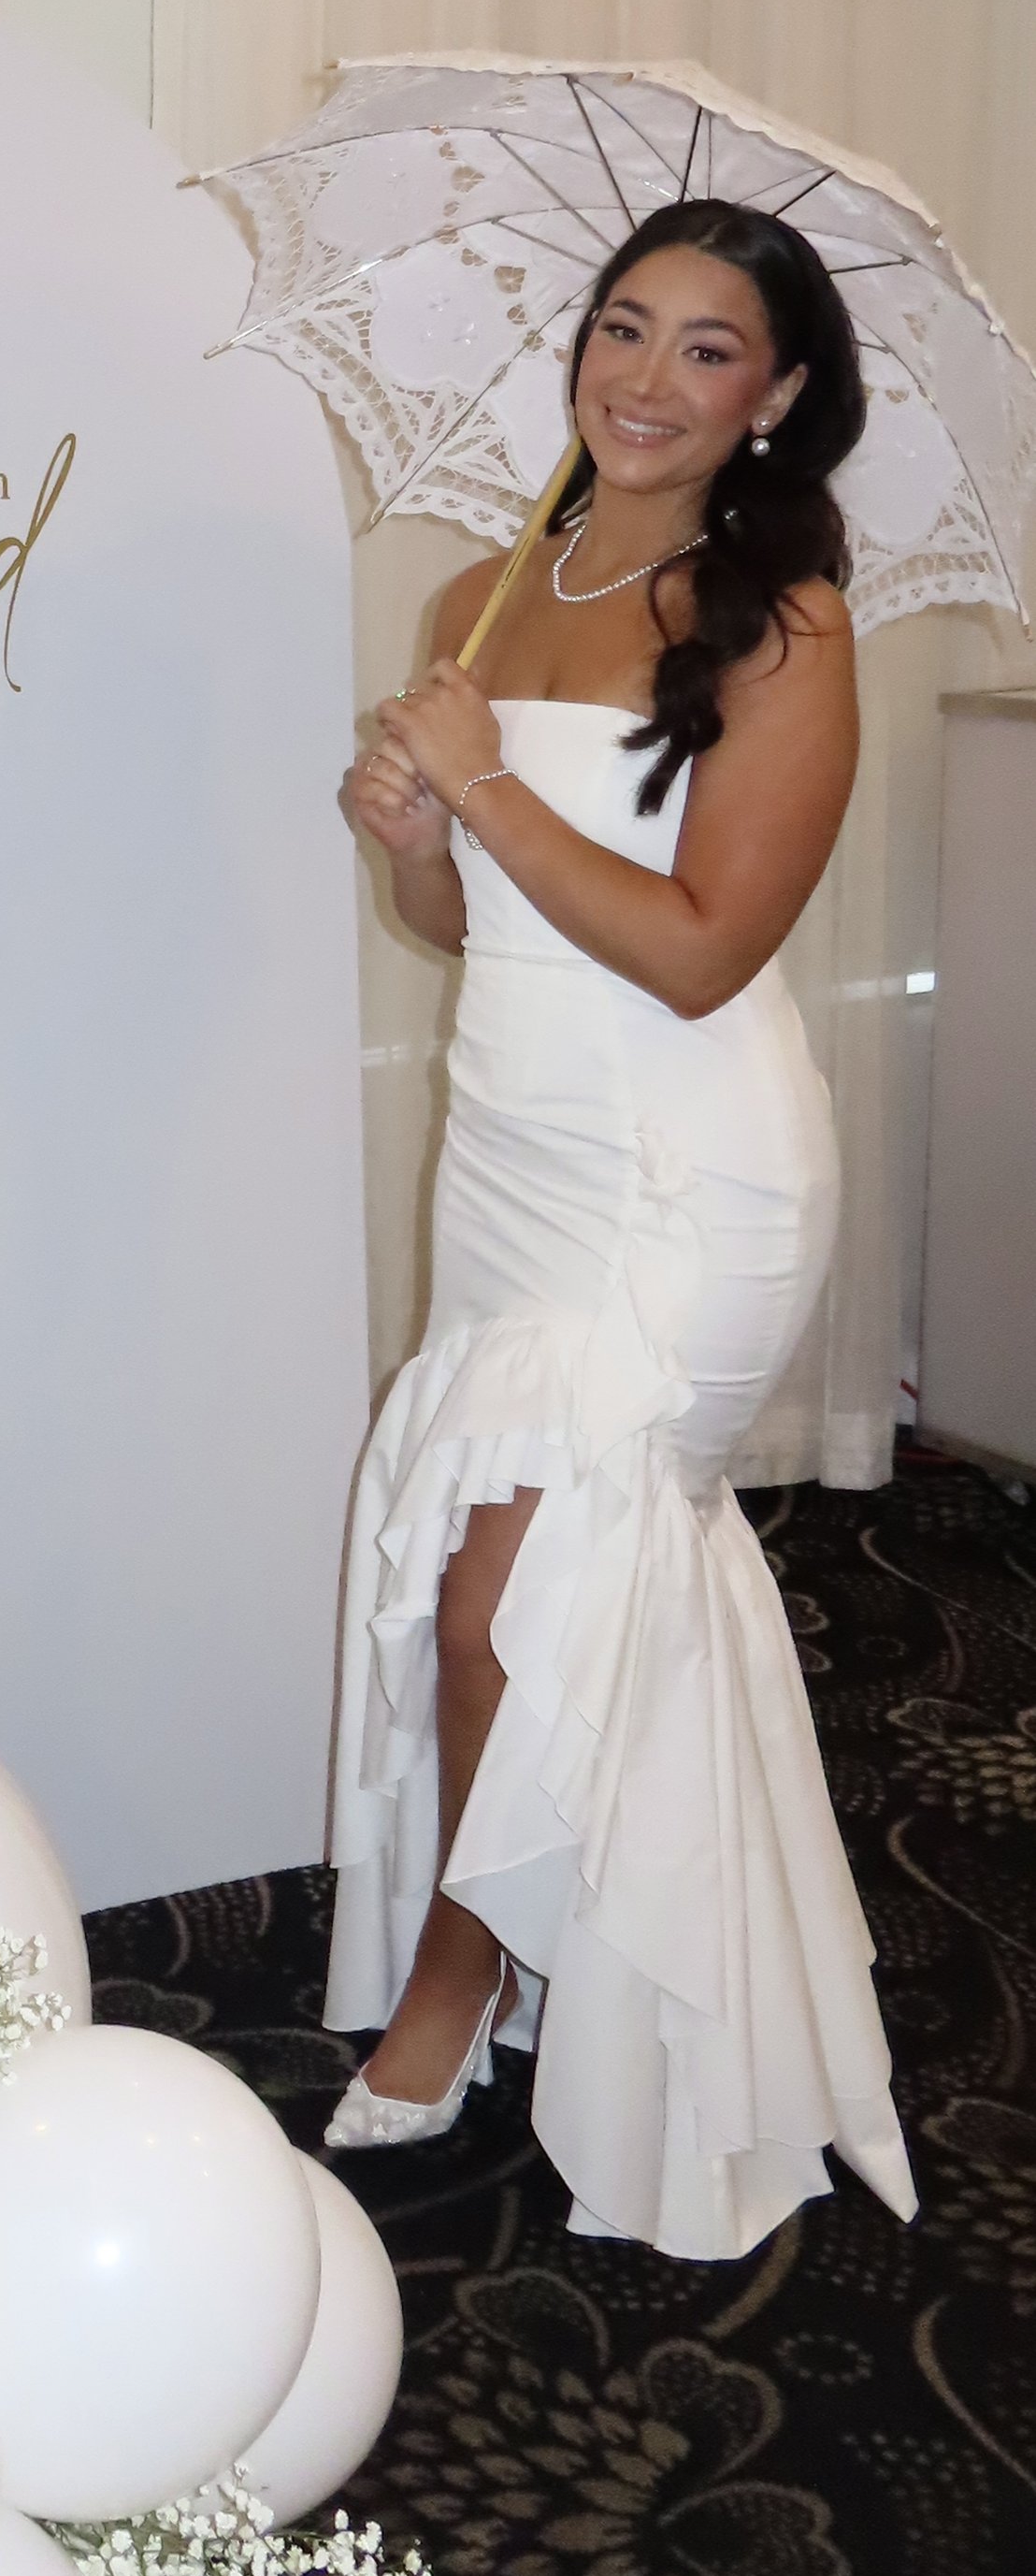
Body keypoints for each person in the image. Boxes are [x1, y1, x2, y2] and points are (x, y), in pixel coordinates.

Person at [326, 197, 915, 2257]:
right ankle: (575, 1929)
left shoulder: (783, 622)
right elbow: (458, 925)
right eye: (622, 329)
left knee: (509, 1608)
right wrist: (413, 839)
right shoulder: (480, 593)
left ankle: (459, 1975)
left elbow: (692, 950)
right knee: (499, 1599)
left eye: (703, 352)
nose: (643, 381)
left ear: (775, 400)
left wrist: (482, 795)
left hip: (686, 1174)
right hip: (509, 1153)